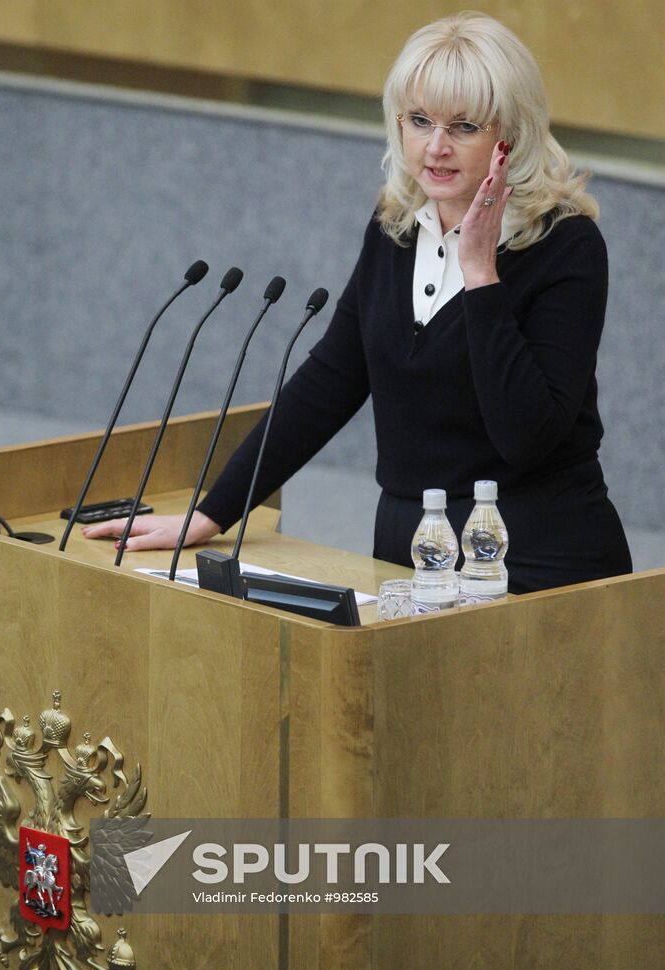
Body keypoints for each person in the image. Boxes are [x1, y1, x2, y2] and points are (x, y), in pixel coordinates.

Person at [84, 11, 632, 594]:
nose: (437, 147)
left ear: (510, 137)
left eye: (465, 127)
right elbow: (331, 380)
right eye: (420, 121)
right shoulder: (395, 227)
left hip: (537, 563)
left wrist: (480, 274)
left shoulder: (565, 245)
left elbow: (528, 437)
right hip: (406, 555)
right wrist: (214, 511)